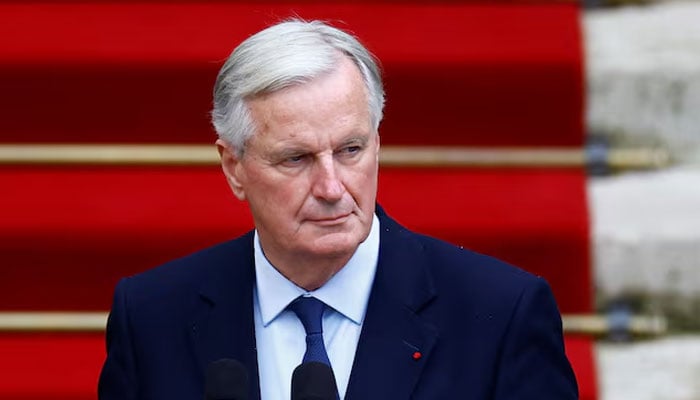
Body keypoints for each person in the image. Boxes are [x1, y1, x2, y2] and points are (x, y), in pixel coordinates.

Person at [98, 19, 578, 400]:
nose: (331, 187)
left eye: (350, 150)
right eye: (296, 158)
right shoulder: (152, 317)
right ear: (234, 168)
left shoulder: (500, 313)